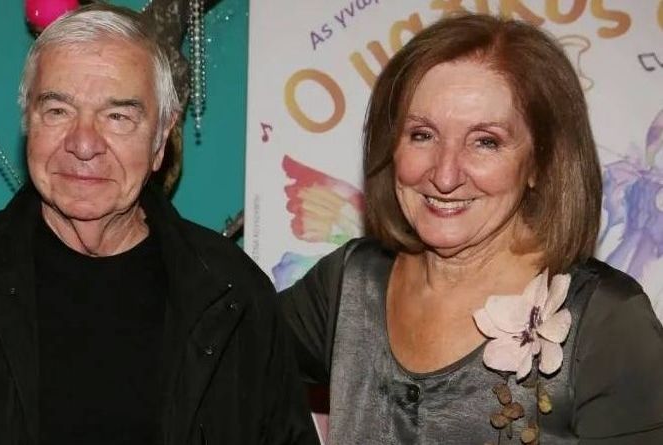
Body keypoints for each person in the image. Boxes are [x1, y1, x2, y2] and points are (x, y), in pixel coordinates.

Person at [0, 4, 317, 445]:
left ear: (160, 141)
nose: (83, 144)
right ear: (28, 123)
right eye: (58, 111)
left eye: (118, 117)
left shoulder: (234, 295)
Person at [280, 13, 663, 445]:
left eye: (486, 141)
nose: (445, 175)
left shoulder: (606, 322)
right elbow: (228, 357)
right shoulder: (349, 284)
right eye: (422, 135)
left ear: (540, 162)